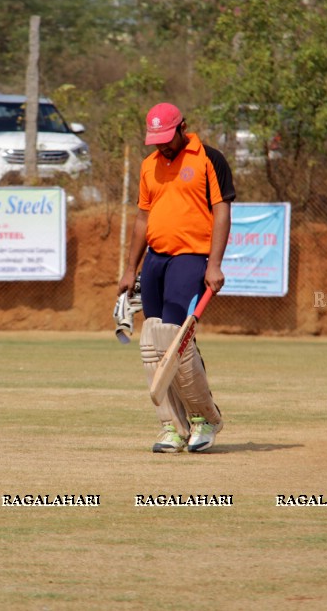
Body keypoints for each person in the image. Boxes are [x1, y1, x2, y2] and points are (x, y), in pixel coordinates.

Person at [117, 102, 235, 453]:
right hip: (155, 259)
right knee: (152, 342)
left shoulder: (208, 158)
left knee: (175, 338)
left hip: (191, 257)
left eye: (168, 137)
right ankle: (172, 426)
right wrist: (130, 268)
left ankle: (204, 418)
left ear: (183, 127)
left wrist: (214, 264)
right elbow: (142, 219)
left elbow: (222, 210)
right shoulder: (148, 166)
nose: (162, 145)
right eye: (156, 139)